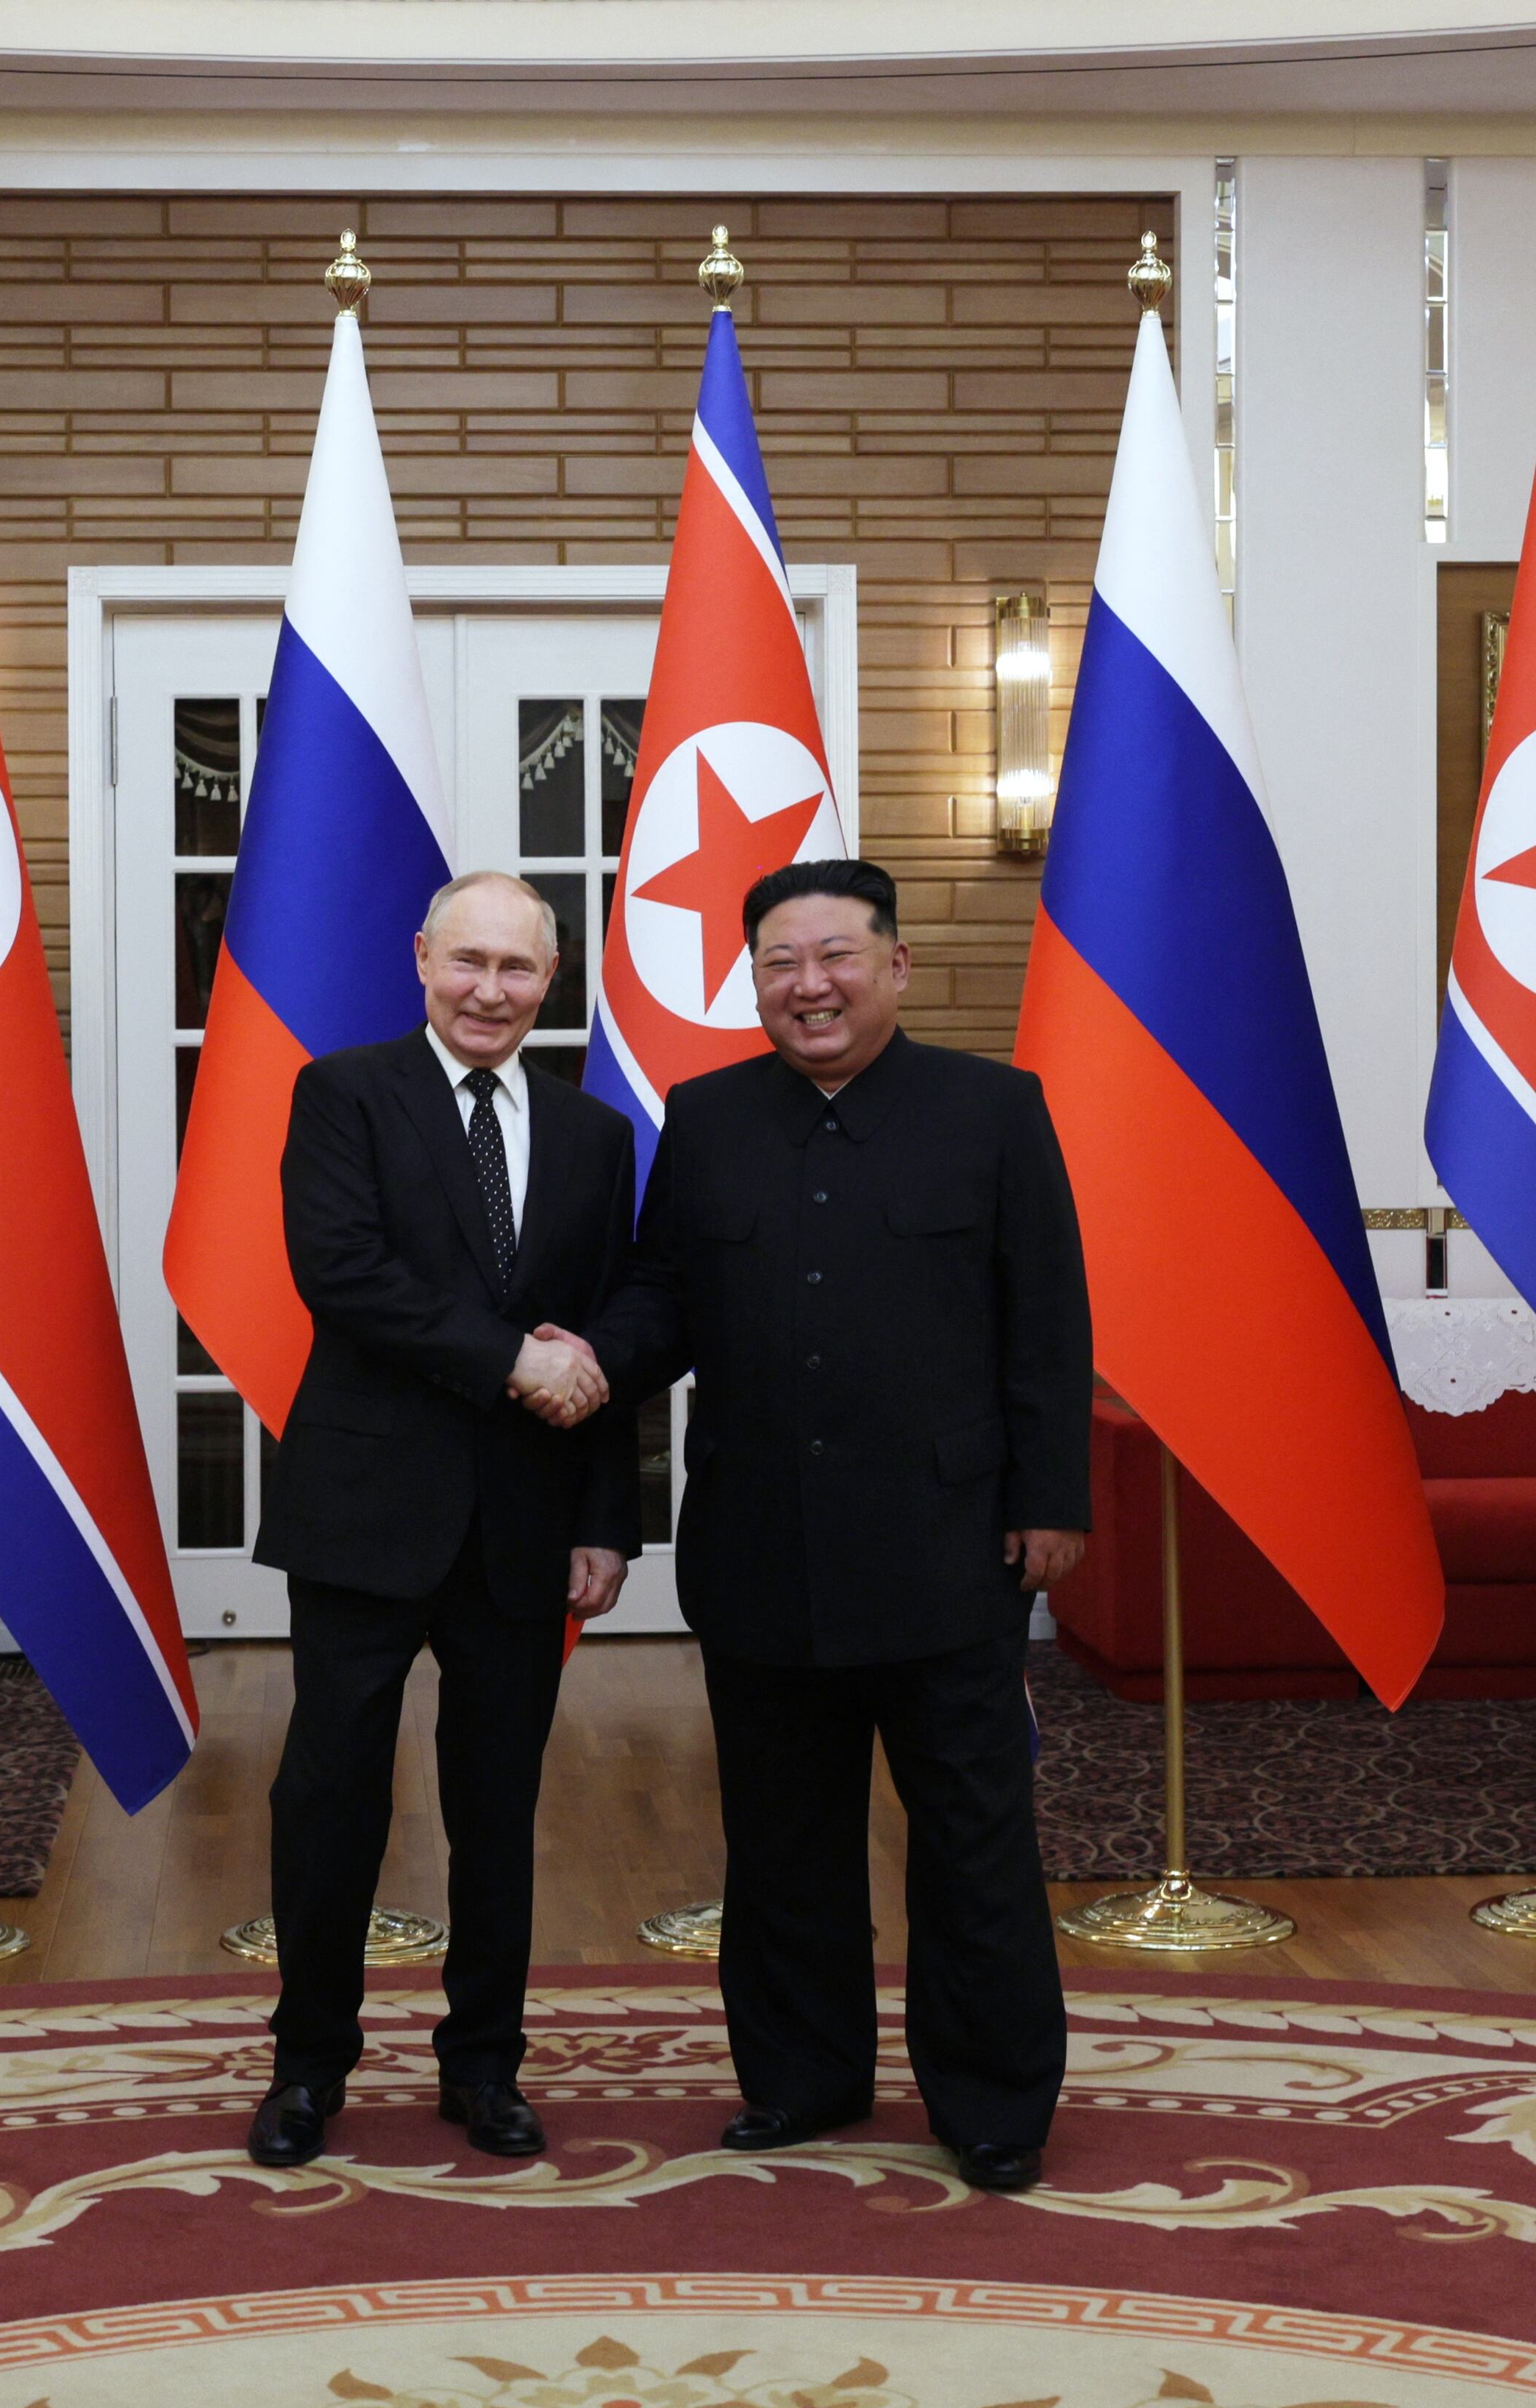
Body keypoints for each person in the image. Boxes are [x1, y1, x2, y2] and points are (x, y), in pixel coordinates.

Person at [573, 857, 1090, 2193]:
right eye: (780, 964)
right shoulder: (705, 1117)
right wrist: (577, 1358)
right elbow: (664, 1301)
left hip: (949, 1547)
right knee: (784, 1838)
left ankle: (990, 2103)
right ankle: (802, 2081)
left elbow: (1046, 1322)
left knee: (972, 1839)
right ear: (753, 982)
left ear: (896, 967)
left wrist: (1052, 1499)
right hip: (759, 1546)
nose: (809, 985)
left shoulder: (994, 1110)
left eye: (836, 956)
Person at [246, 871, 635, 2170]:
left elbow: (594, 1339)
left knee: (499, 1806)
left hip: (524, 1527)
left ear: (550, 980)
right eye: (467, 961)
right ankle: (310, 2067)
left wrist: (606, 1517)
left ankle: (486, 2066)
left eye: (517, 970)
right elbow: (343, 1275)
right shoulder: (345, 1093)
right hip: (366, 1512)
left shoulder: (593, 1135)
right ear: (420, 959)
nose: (489, 991)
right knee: (331, 1795)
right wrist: (508, 1360)